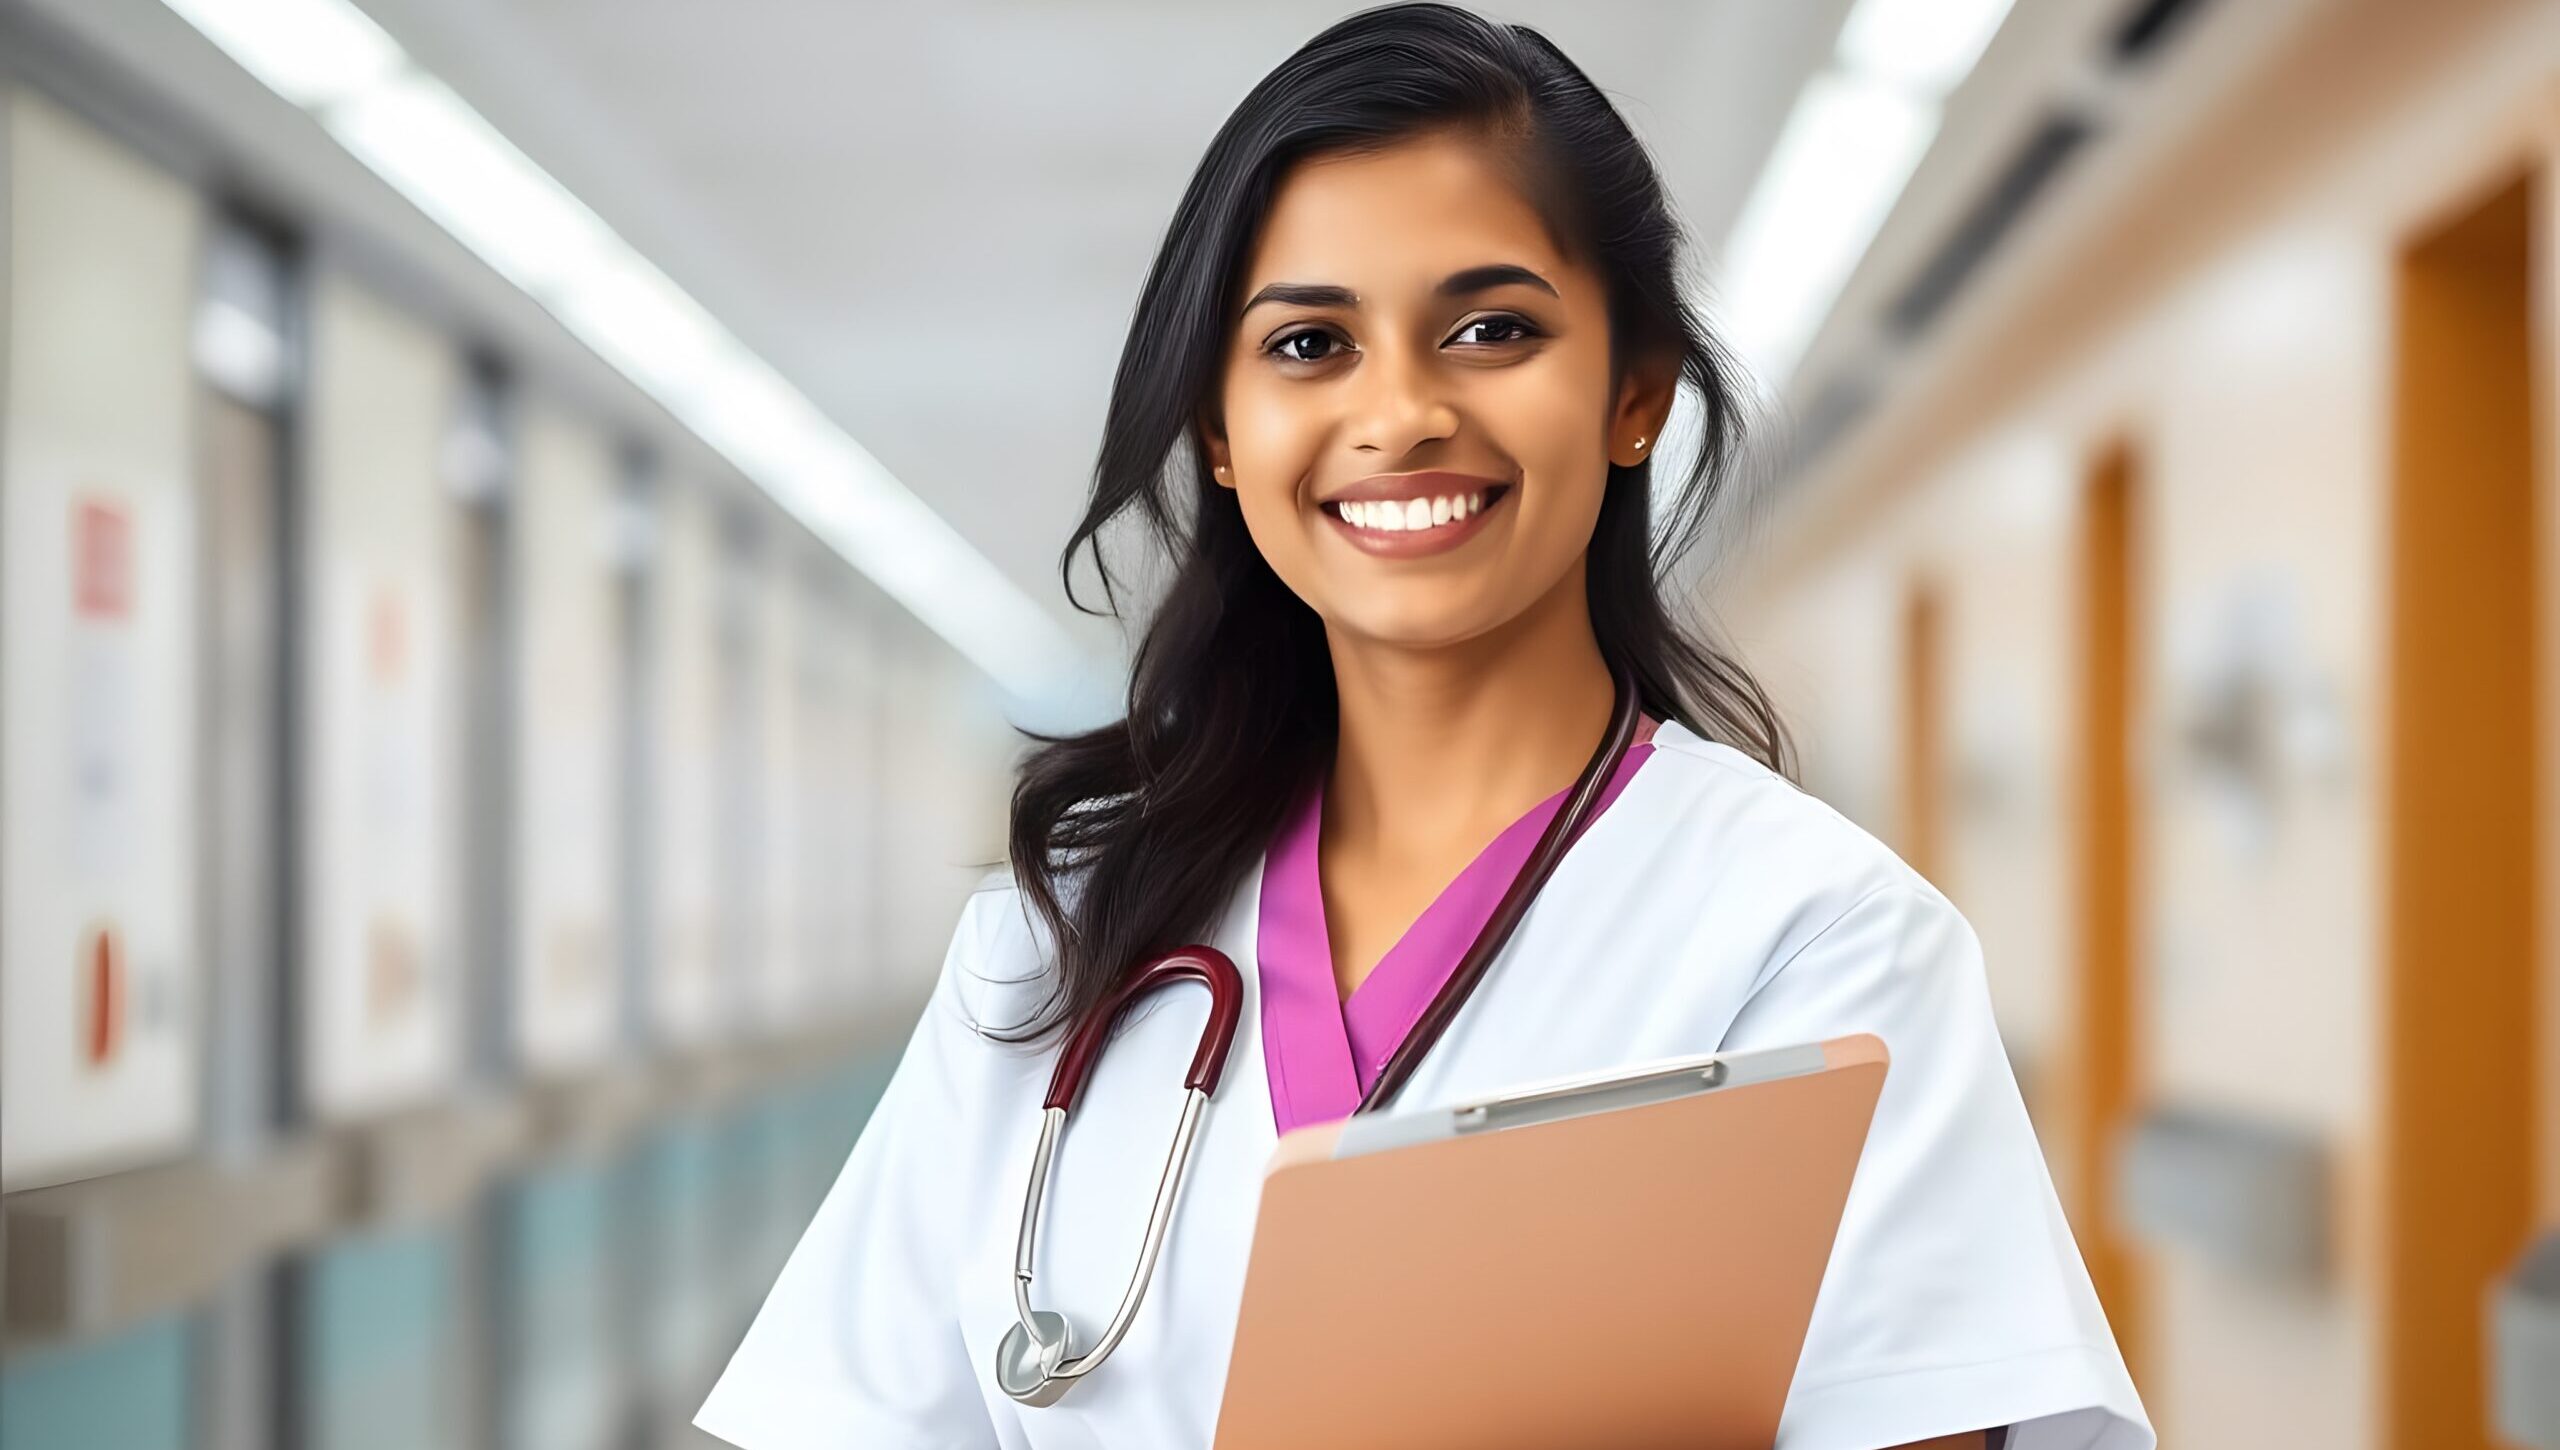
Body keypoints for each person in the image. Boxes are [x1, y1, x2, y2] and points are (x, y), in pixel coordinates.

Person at [694, 5, 2153, 1447]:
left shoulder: (1815, 941)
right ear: (1218, 427)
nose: (1399, 414)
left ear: (1632, 391)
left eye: (1490, 328)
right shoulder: (1058, 935)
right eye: (1312, 343)